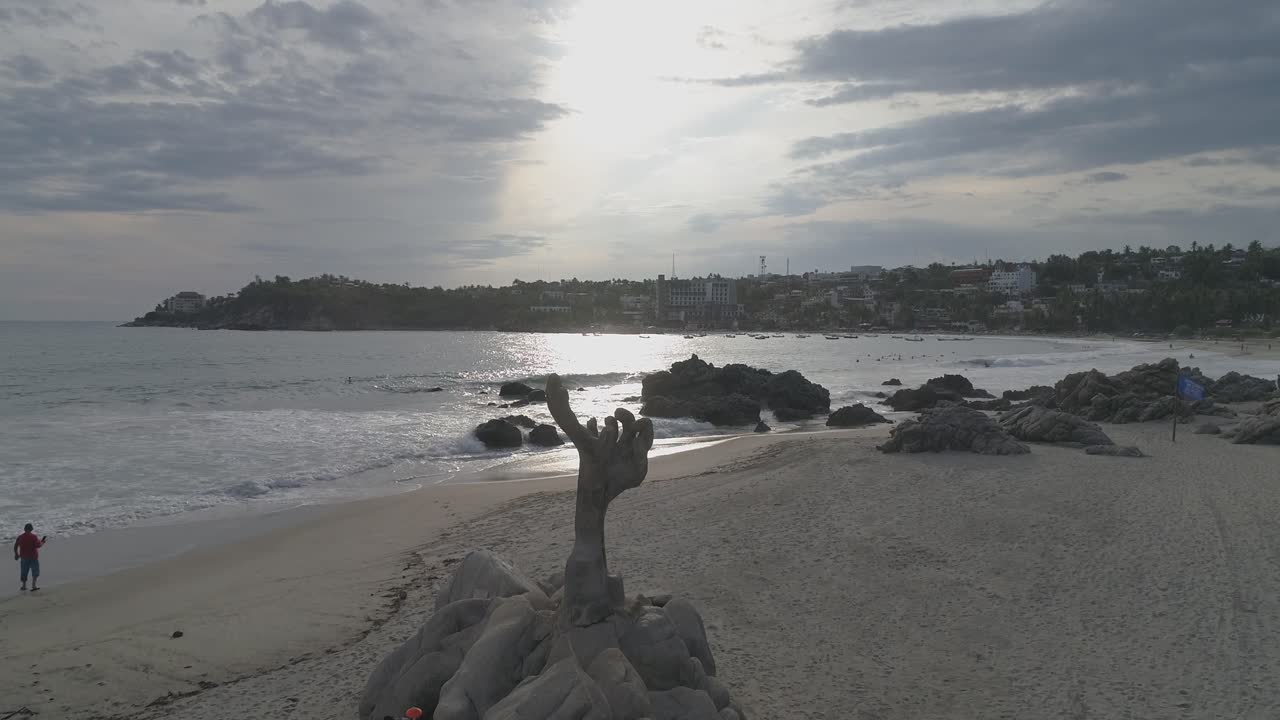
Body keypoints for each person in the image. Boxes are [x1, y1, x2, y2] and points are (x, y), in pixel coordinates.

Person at [14, 523, 45, 592]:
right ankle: (33, 585)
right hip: (33, 557)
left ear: (24, 529)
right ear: (31, 529)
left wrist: (16, 554)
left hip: (24, 557)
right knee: (35, 571)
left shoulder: (20, 537)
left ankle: (24, 586)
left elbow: (15, 546)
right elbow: (38, 545)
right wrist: (42, 542)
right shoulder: (33, 537)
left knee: (24, 571)